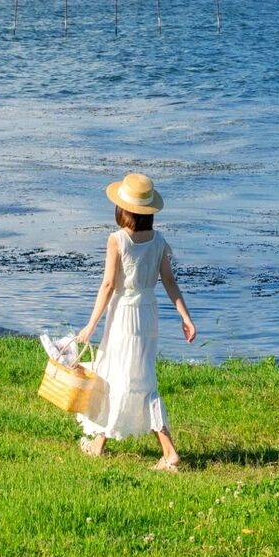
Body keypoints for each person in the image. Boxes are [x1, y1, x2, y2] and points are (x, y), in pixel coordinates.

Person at [74, 171, 196, 469]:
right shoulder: (158, 241)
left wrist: (90, 326)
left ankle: (169, 453)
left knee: (121, 377)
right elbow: (169, 281)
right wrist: (185, 317)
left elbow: (107, 286)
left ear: (124, 209)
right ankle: (99, 443)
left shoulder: (117, 240)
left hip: (124, 315)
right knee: (130, 377)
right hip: (147, 314)